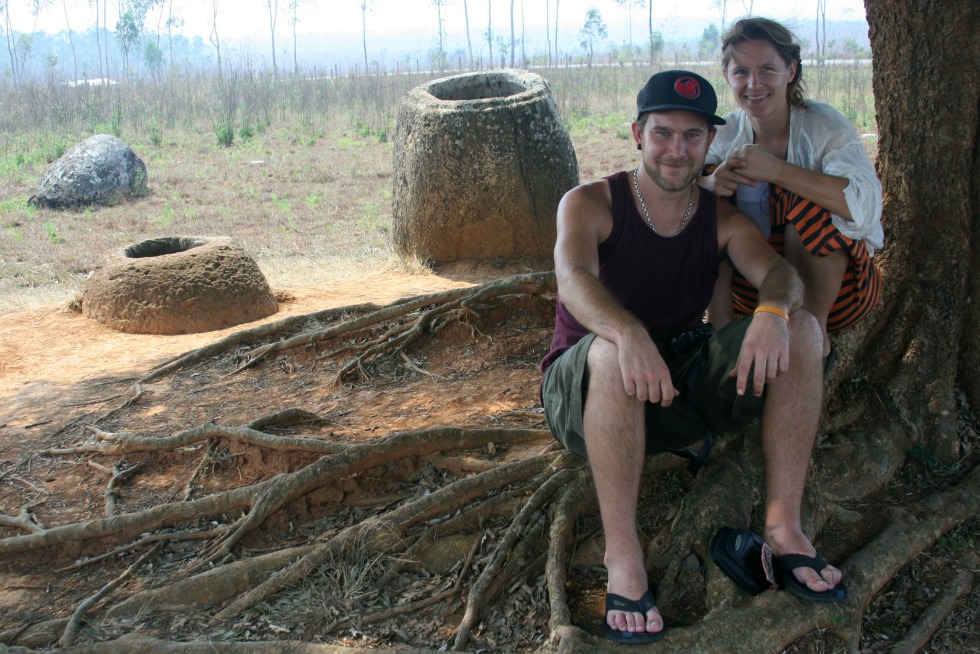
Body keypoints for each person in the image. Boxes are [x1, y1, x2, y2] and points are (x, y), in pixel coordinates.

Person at [540, 70, 844, 645]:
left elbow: (779, 274)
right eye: (662, 133)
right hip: (582, 389)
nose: (676, 150)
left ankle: (784, 528)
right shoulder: (590, 203)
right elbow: (573, 277)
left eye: (692, 136)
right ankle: (623, 560)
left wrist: (773, 314)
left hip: (669, 384)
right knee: (608, 355)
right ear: (637, 133)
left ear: (710, 143)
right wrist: (627, 334)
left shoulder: (721, 220)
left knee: (802, 330)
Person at [700, 17, 883, 359]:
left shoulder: (823, 126)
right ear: (727, 76)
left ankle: (810, 334)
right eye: (741, 72)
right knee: (709, 198)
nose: (754, 84)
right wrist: (710, 182)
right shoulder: (724, 133)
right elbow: (668, 192)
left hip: (837, 292)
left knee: (804, 199)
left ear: (791, 70)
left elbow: (865, 206)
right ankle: (720, 333)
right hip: (752, 291)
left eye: (768, 69)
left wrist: (779, 171)